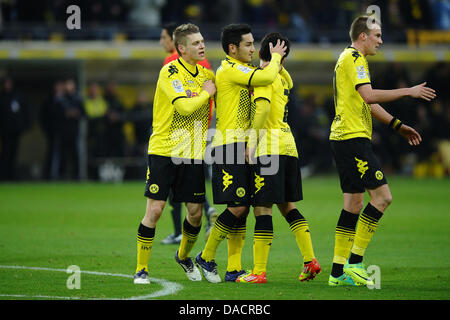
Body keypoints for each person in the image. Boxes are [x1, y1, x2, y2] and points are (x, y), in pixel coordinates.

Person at [328, 15, 436, 287]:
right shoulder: (354, 59)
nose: (381, 40)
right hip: (351, 139)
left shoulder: (349, 59)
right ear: (363, 35)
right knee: (383, 197)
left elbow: (365, 101)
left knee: (353, 204)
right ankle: (354, 263)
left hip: (344, 137)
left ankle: (337, 272)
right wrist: (408, 91)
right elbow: (369, 96)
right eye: (377, 35)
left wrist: (397, 125)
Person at [194, 23, 287, 283]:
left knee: (243, 208)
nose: (252, 48)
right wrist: (276, 55)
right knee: (237, 207)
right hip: (228, 146)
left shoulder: (244, 69)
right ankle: (206, 255)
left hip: (244, 145)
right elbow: (268, 77)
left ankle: (234, 268)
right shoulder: (229, 70)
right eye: (247, 44)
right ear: (232, 48)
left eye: (253, 43)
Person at [133, 23, 216, 284]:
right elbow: (184, 108)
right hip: (164, 149)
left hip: (192, 152)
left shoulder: (207, 75)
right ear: (181, 48)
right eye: (195, 43)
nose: (201, 45)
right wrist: (206, 94)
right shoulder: (169, 72)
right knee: (155, 210)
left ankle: (183, 256)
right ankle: (141, 269)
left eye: (202, 41)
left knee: (195, 213)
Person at [236, 32, 321, 284]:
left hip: (269, 149)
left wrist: (251, 143)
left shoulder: (264, 77)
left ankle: (259, 272)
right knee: (288, 207)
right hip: (289, 147)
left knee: (262, 209)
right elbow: (288, 79)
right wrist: (278, 60)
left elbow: (261, 111)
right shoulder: (283, 77)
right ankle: (310, 260)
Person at [159, 22, 218, 245]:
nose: (161, 42)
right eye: (197, 42)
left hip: (175, 134)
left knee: (173, 191)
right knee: (193, 185)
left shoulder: (170, 63)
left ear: (176, 44)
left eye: (163, 37)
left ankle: (179, 232)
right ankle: (207, 209)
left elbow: (181, 104)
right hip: (202, 129)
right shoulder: (206, 67)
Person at [0, 76, 30, 180]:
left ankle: (11, 175)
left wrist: (24, 126)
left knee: (13, 153)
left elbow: (25, 112)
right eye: (6, 83)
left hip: (15, 131)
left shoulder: (17, 97)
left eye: (9, 83)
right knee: (5, 153)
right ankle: (3, 175)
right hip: (4, 131)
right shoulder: (2, 97)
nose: (7, 85)